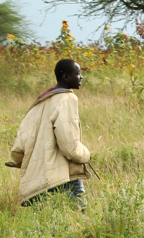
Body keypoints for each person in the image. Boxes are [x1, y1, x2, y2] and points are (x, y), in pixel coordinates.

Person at [6, 58, 91, 208]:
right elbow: (69, 146)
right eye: (77, 73)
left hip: (39, 178)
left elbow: (19, 145)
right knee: (79, 216)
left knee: (43, 222)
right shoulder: (68, 98)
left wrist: (22, 161)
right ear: (65, 77)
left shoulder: (41, 102)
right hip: (65, 174)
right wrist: (85, 155)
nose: (81, 77)